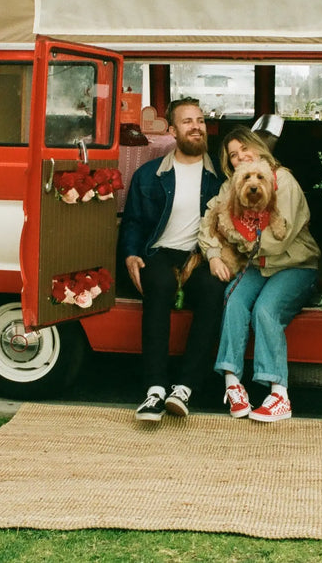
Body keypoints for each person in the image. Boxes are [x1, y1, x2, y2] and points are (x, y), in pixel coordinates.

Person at [117, 98, 226, 422]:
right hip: (160, 252)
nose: (196, 126)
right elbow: (133, 222)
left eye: (200, 120)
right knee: (159, 285)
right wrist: (132, 256)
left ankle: (185, 388)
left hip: (203, 254)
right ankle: (154, 389)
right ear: (173, 130)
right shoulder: (150, 174)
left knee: (212, 290)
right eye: (188, 121)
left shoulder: (220, 176)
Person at [201, 127, 320, 422]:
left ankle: (279, 394)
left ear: (258, 147)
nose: (241, 157)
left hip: (294, 264)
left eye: (245, 149)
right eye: (233, 155)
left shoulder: (284, 181)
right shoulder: (231, 186)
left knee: (266, 310)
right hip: (255, 265)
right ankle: (233, 384)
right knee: (234, 300)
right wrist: (214, 254)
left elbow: (277, 241)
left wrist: (233, 234)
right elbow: (209, 221)